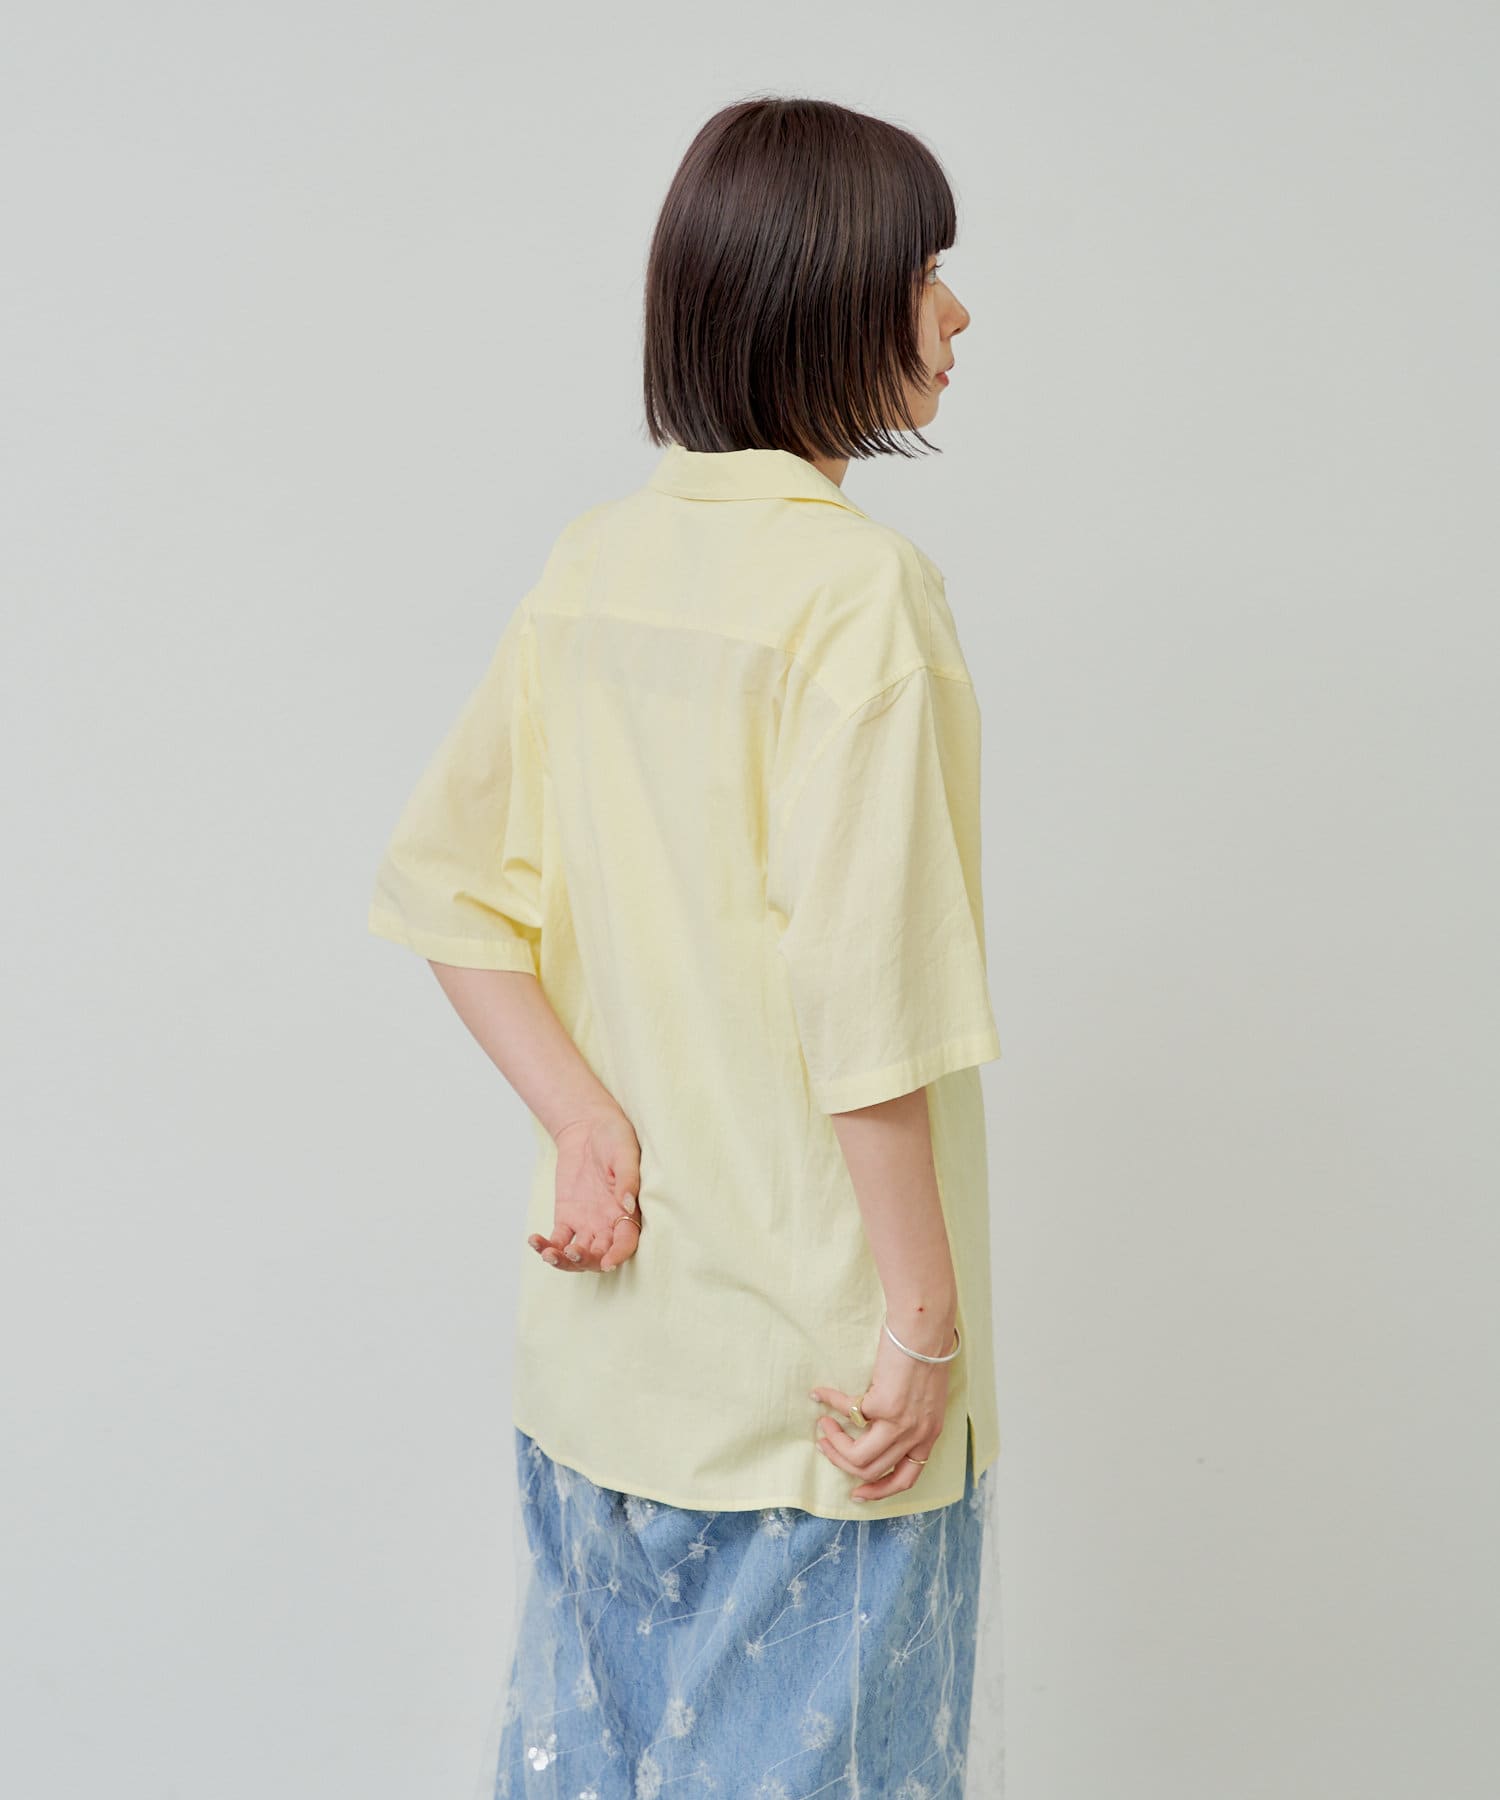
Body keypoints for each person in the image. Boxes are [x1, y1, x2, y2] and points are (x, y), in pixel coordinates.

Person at [368, 94, 1007, 1798]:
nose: (957, 316)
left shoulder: (596, 566)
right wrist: (921, 1326)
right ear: (824, 296)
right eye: (925, 273)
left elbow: (450, 895)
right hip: (821, 1402)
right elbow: (869, 1001)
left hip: (607, 1370)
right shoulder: (857, 598)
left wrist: (583, 1122)